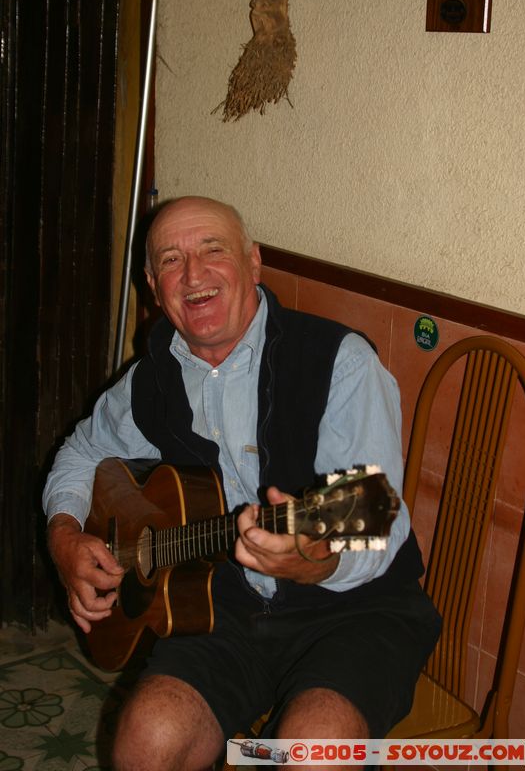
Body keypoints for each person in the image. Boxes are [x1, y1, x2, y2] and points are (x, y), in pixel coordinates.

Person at [44, 196, 441, 771]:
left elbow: (376, 515)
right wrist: (63, 538)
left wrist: (317, 561)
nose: (195, 275)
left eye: (213, 250)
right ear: (155, 287)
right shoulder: (149, 382)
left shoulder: (340, 362)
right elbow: (81, 453)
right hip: (221, 607)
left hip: (357, 611)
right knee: (148, 738)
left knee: (314, 750)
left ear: (253, 263)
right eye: (172, 260)